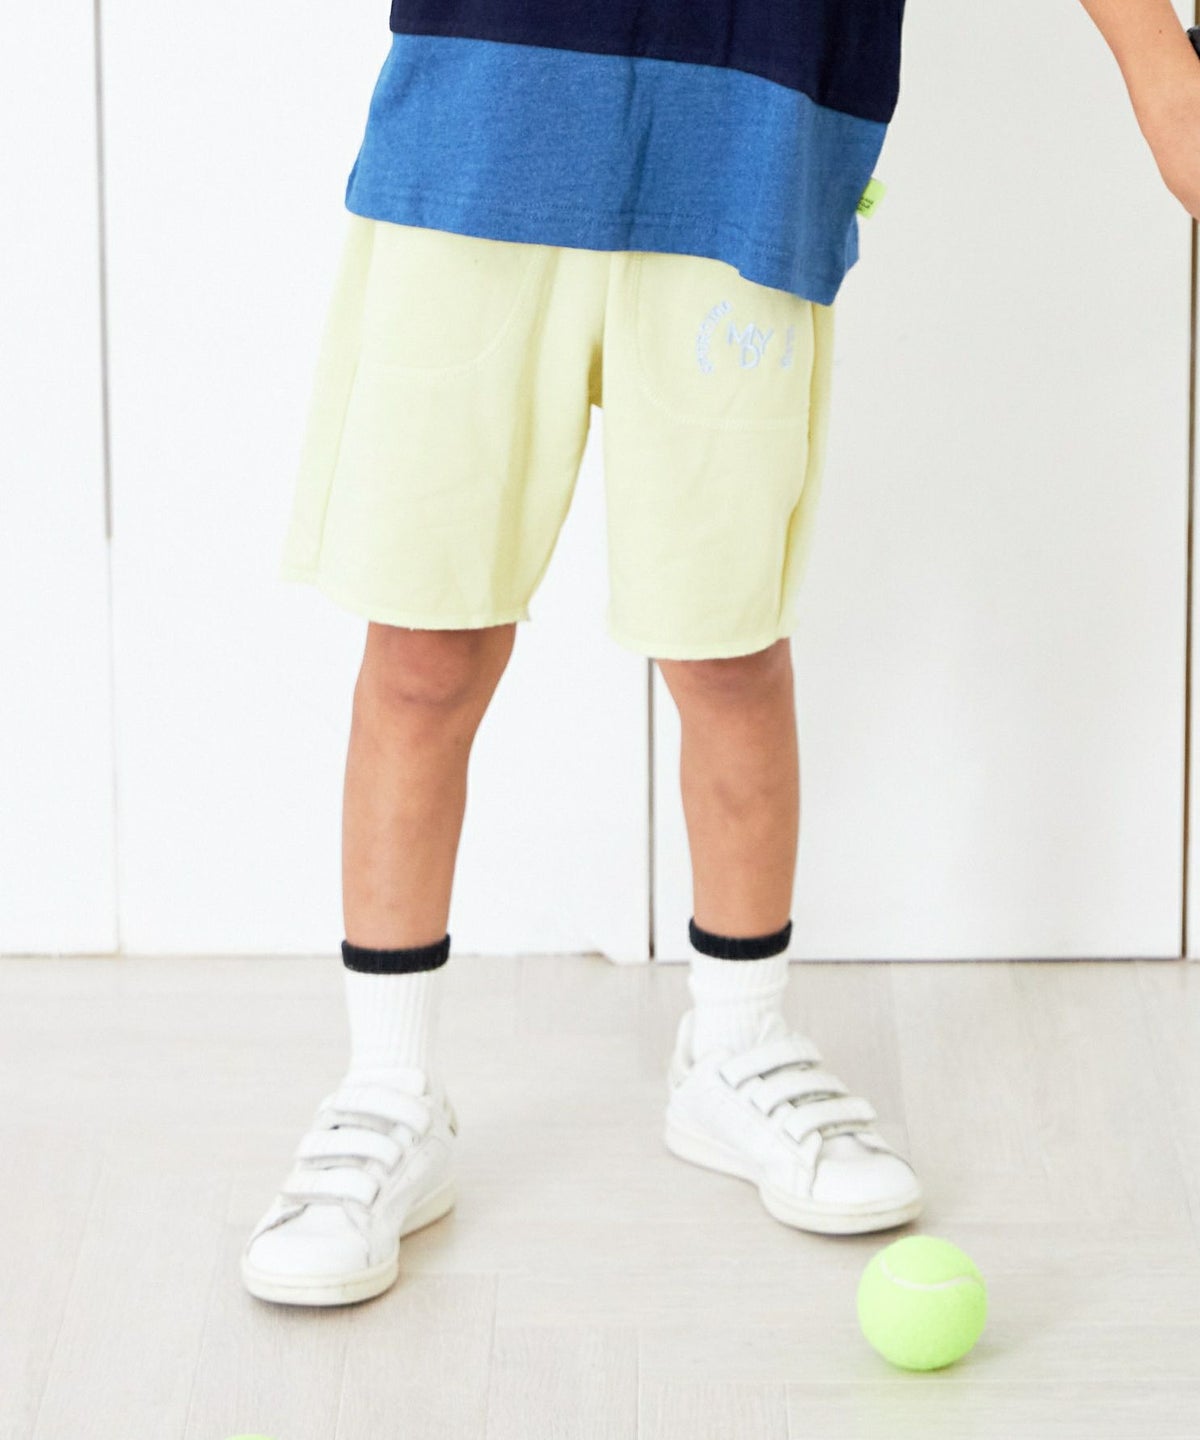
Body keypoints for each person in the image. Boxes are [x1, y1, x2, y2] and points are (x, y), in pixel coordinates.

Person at [241, 0, 1200, 1307]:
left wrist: (1155, 58)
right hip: (484, 116)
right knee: (423, 644)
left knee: (728, 644)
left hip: (749, 132)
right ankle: (386, 1087)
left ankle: (737, 1047)